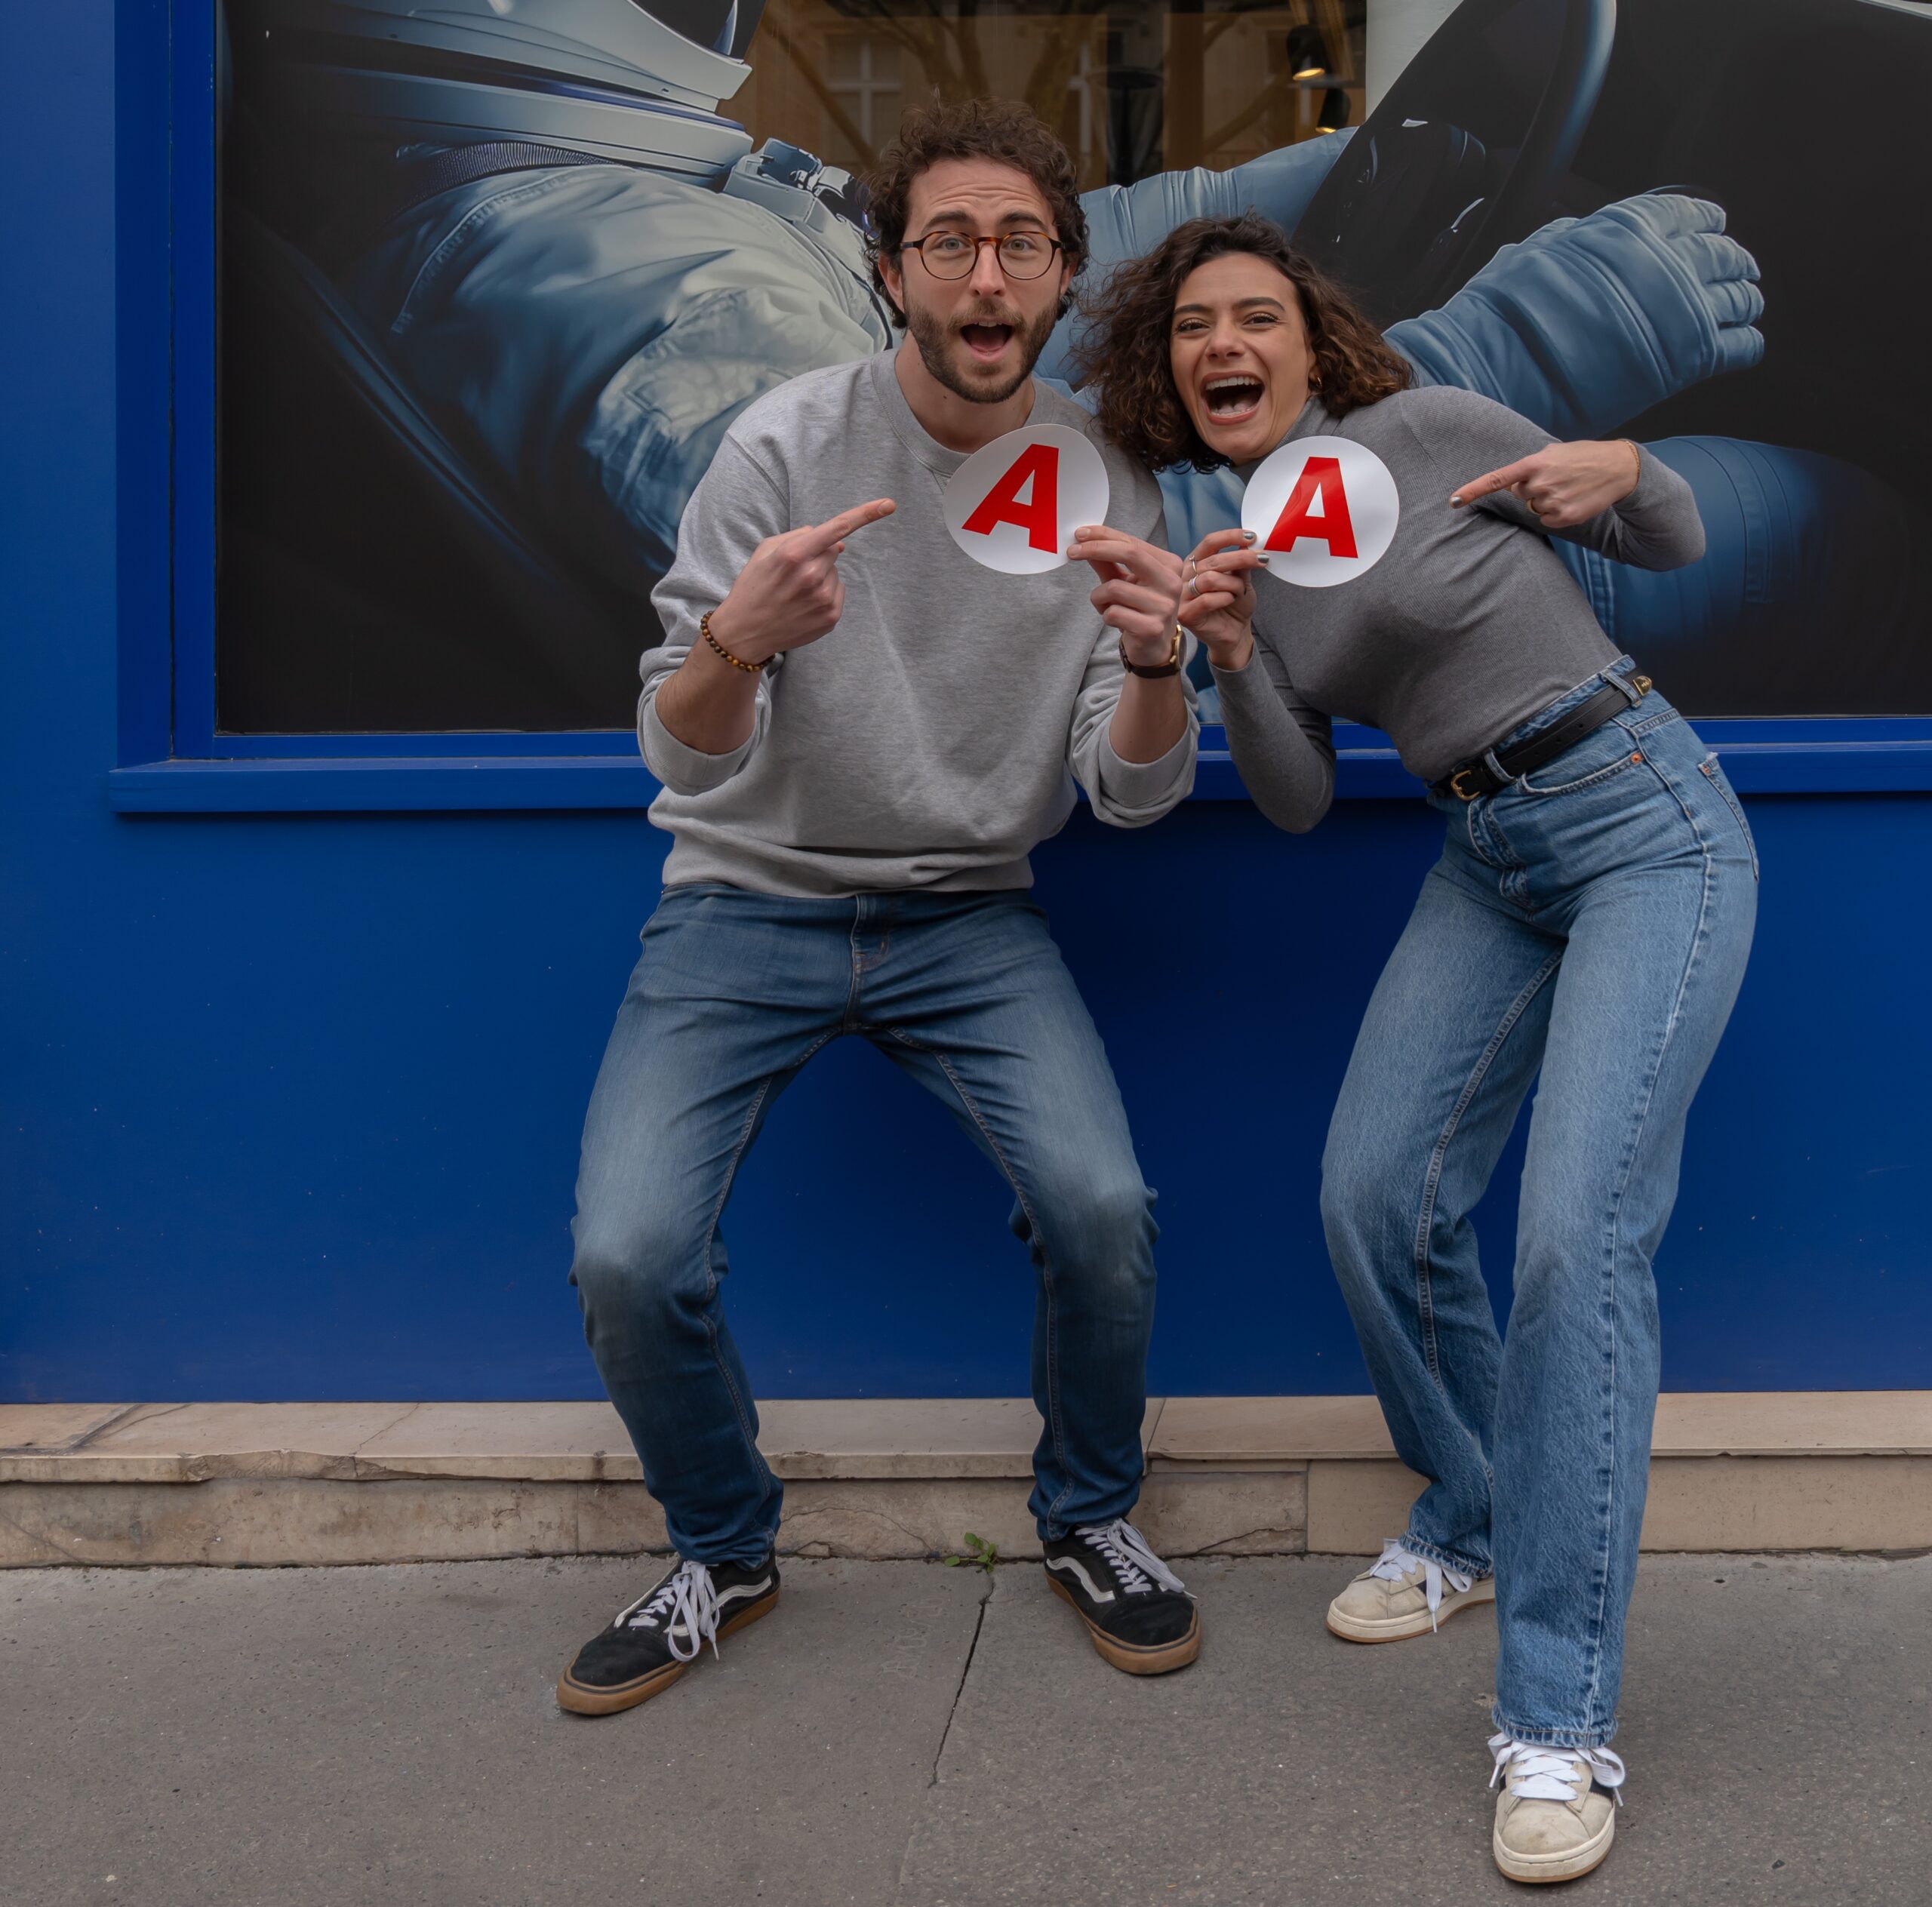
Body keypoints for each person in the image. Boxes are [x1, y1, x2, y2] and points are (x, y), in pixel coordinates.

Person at [1079, 214, 1756, 1885]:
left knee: (1571, 1247)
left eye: (1254, 318)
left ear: (1313, 348)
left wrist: (1626, 465)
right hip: (1487, 857)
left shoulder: (1430, 430)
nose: (1220, 344)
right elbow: (1302, 801)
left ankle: (1553, 1719)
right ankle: (1468, 1506)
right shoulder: (1235, 547)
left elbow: (1658, 535)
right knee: (1373, 1198)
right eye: (1189, 330)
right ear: (1170, 380)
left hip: (1640, 818)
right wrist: (1235, 661)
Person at [224, 0, 1767, 720]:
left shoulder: (535, 197)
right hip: (1180, 679)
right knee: (1831, 525)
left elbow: (942, 307)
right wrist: (1501, 351)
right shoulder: (654, 309)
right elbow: (993, 595)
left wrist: (1275, 190)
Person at [555, 100, 1204, 1718]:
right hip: (743, 904)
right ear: (890, 270)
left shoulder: (1104, 474)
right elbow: (684, 760)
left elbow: (1125, 798)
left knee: (1102, 1214)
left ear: (1058, 279)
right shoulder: (779, 445)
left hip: (969, 916)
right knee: (628, 1253)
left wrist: (1144, 668)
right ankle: (725, 1549)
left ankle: (1088, 1515)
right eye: (948, 243)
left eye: (1020, 245)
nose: (985, 276)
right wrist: (740, 645)